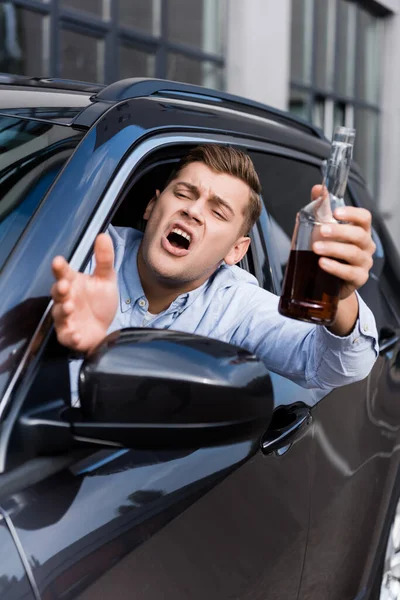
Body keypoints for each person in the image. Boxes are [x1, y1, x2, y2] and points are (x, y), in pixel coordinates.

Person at [51, 145, 378, 393]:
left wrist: (338, 292)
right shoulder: (82, 253)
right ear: (152, 206)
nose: (192, 211)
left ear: (237, 250)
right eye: (183, 193)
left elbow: (337, 367)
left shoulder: (236, 305)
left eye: (218, 212)